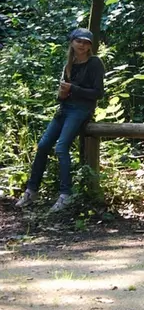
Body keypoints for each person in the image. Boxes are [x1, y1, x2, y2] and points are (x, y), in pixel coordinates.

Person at [16, 28, 105, 212]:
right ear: (72, 42)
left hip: (81, 110)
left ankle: (66, 194)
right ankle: (31, 191)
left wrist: (73, 88)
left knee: (61, 147)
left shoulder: (95, 63)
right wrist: (63, 93)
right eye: (79, 41)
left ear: (90, 46)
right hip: (65, 109)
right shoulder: (69, 65)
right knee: (42, 145)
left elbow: (98, 93)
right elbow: (62, 97)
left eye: (87, 42)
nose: (83, 45)